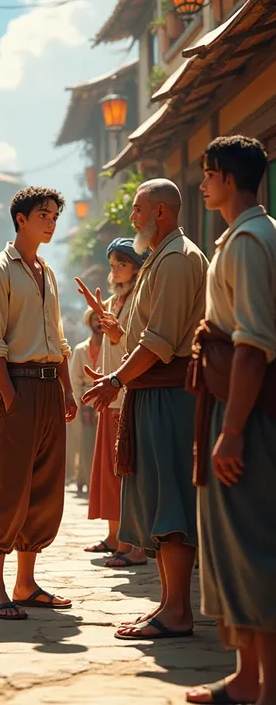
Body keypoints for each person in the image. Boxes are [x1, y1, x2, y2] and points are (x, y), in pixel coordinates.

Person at [83, 180, 208, 641]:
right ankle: (167, 606)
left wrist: (116, 379)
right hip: (152, 392)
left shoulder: (176, 259)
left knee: (170, 502)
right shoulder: (161, 257)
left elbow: (158, 342)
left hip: (168, 394)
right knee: (159, 500)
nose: (131, 218)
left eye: (137, 210)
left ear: (159, 211)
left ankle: (177, 611)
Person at [186, 136, 276, 705]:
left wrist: (234, 429)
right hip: (233, 401)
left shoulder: (248, 241)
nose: (203, 184)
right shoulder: (249, 236)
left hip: (248, 408)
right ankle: (247, 678)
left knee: (251, 542)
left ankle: (267, 687)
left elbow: (251, 346)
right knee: (233, 540)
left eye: (207, 174)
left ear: (225, 177)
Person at [0, 186, 77, 620]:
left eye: (55, 215)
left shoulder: (47, 271)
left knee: (46, 487)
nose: (51, 222)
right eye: (43, 214)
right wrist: (11, 395)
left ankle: (26, 582)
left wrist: (68, 388)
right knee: (9, 486)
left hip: (52, 385)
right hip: (18, 384)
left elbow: (58, 337)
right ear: (20, 219)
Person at [76, 238, 147, 568]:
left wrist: (117, 335)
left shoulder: (137, 299)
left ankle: (132, 543)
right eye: (113, 265)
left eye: (122, 264)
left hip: (126, 394)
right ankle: (114, 535)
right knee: (109, 468)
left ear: (136, 267)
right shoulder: (118, 301)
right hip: (111, 394)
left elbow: (138, 343)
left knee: (125, 469)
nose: (115, 271)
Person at [70, 309, 102, 494]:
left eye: (100, 319)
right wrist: (79, 403)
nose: (98, 322)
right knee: (87, 443)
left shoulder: (111, 345)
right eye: (94, 319)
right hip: (87, 402)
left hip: (109, 399)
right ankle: (86, 479)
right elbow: (75, 379)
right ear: (88, 323)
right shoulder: (81, 349)